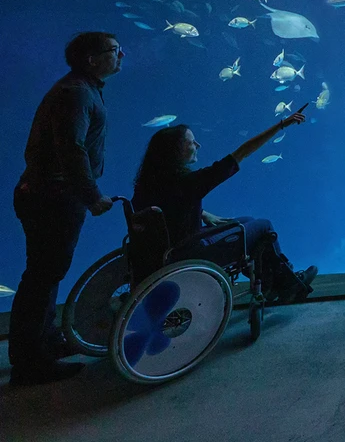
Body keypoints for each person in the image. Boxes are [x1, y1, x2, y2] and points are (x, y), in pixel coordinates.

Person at [8, 32, 123, 387]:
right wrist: (91, 196)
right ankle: (30, 363)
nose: (121, 55)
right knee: (42, 277)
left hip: (50, 195)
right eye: (114, 50)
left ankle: (43, 344)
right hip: (53, 197)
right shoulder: (76, 93)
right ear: (91, 59)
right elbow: (70, 149)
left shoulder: (81, 88)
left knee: (47, 273)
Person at [130, 108, 317, 306]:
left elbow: (167, 207)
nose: (198, 145)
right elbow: (241, 153)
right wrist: (281, 125)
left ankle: (273, 281)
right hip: (191, 253)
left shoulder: (149, 183)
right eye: (191, 142)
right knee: (263, 225)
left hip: (166, 253)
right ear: (176, 150)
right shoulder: (188, 182)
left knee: (246, 221)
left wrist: (201, 213)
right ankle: (287, 284)